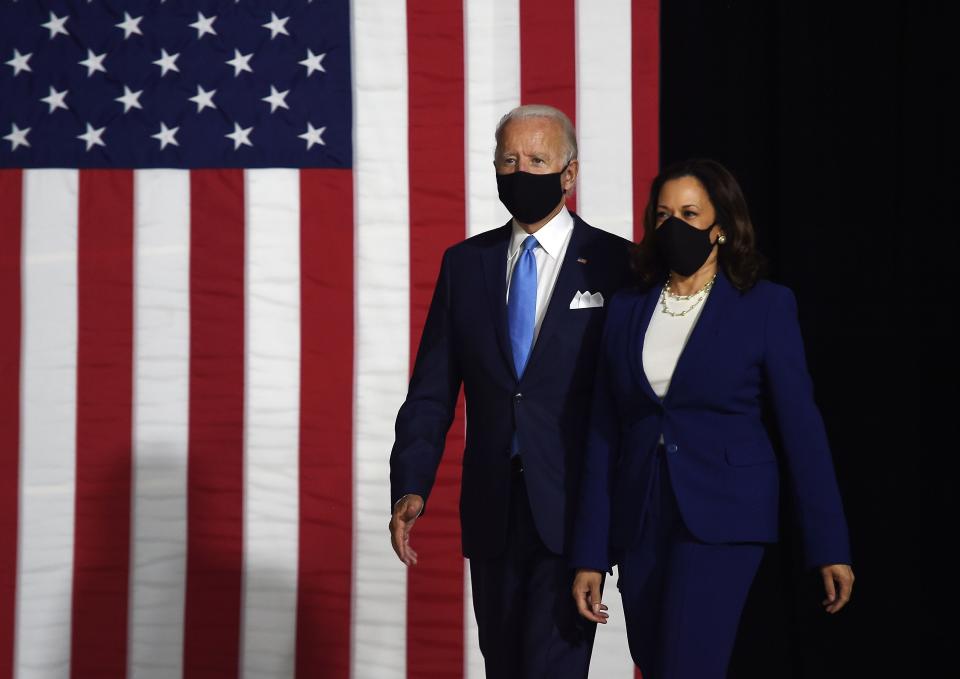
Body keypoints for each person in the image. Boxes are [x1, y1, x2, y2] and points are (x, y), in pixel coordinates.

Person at [569, 158, 855, 679]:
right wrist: (589, 553)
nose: (672, 225)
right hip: (640, 519)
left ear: (720, 226)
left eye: (689, 213)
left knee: (687, 665)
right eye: (662, 215)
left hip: (722, 517)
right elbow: (603, 432)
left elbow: (802, 431)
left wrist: (829, 543)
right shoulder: (628, 309)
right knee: (655, 662)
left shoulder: (765, 306)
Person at [389, 104, 633, 678]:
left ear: (569, 174)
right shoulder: (464, 265)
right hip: (492, 511)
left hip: (575, 512)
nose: (520, 172)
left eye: (537, 160)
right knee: (503, 666)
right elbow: (430, 391)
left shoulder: (617, 264)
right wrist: (410, 485)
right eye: (508, 160)